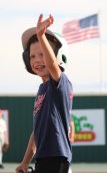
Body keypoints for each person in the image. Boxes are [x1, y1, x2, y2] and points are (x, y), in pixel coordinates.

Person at [16, 14, 73, 173]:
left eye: (42, 54)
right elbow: (37, 132)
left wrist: (41, 35)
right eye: (32, 56)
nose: (36, 60)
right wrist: (25, 162)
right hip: (43, 157)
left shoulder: (59, 83)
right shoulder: (42, 90)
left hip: (57, 157)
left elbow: (52, 64)